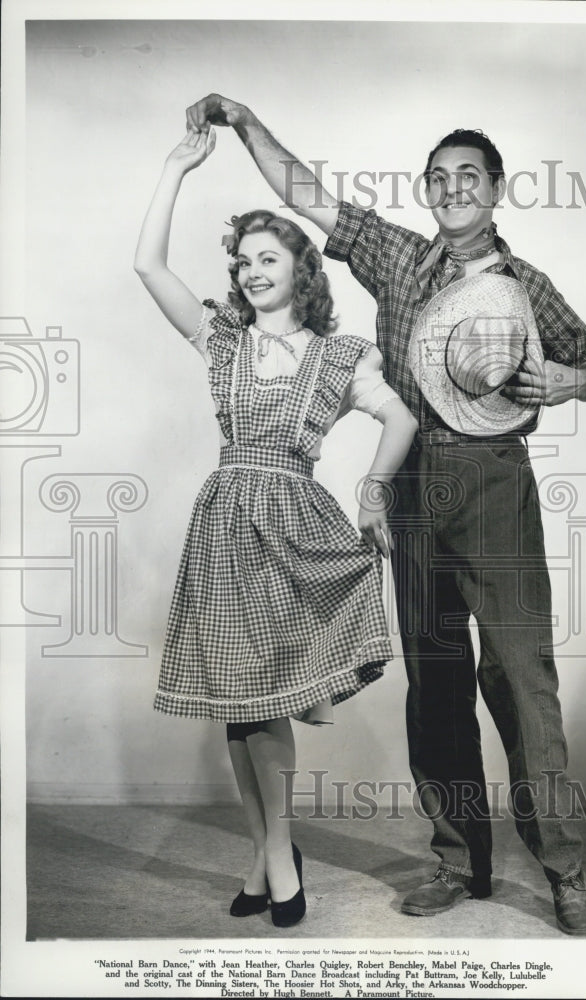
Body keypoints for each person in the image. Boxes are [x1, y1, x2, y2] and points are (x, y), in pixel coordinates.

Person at [184, 94, 586, 936]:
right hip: (413, 488)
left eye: (470, 176)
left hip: (495, 482)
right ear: (427, 191)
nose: (454, 188)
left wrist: (573, 381)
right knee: (435, 683)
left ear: (495, 190)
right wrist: (242, 122)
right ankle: (459, 862)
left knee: (523, 682)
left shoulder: (529, 287)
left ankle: (562, 869)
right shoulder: (397, 259)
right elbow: (307, 194)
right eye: (440, 177)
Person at [133, 128, 418, 929]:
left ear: (302, 268)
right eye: (243, 262)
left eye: (268, 259)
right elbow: (149, 268)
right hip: (225, 524)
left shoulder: (338, 356)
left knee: (268, 703)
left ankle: (279, 856)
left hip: (293, 529)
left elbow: (396, 418)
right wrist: (172, 170)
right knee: (239, 701)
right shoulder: (221, 339)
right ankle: (264, 860)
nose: (251, 274)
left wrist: (371, 491)